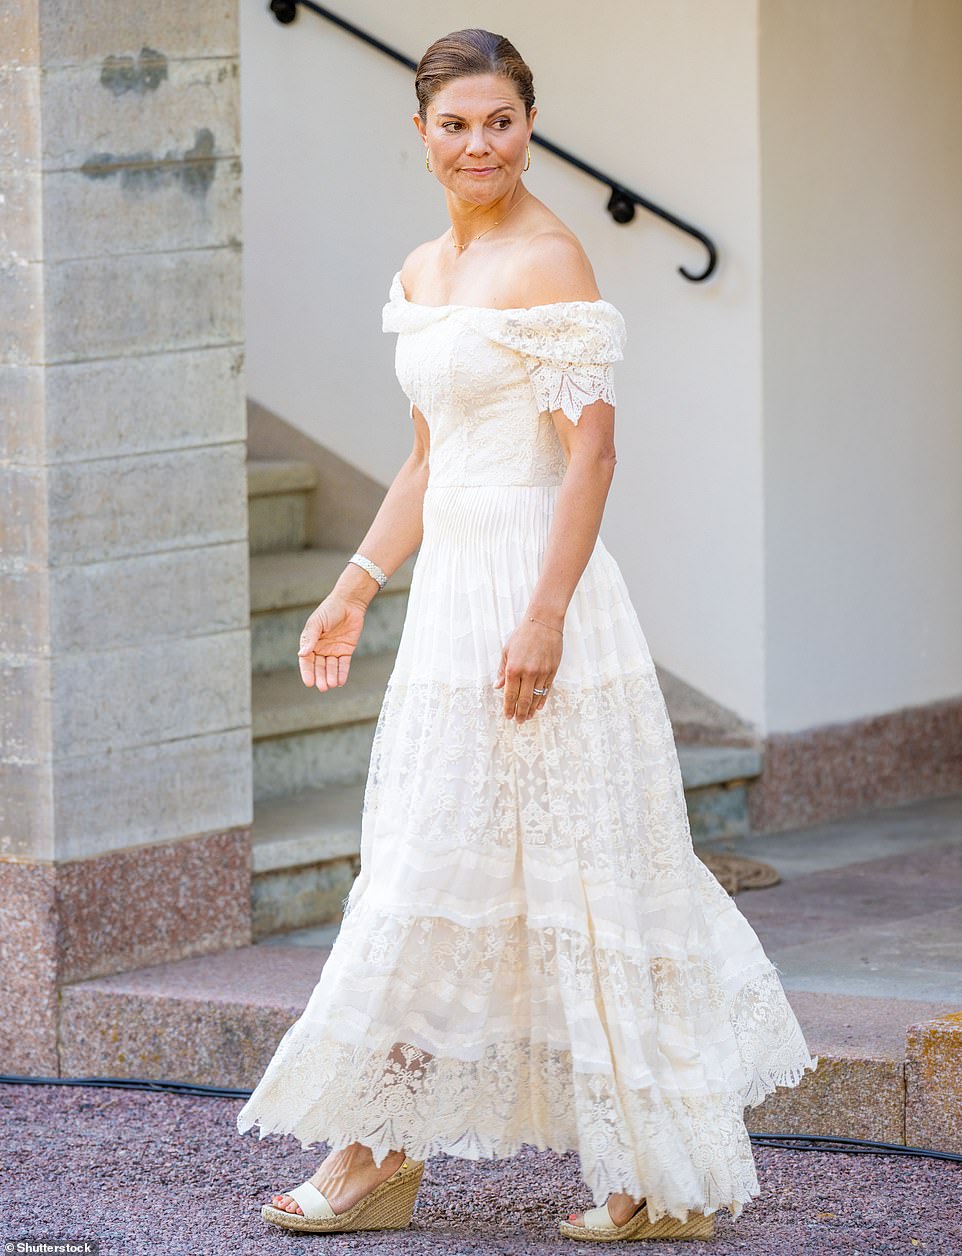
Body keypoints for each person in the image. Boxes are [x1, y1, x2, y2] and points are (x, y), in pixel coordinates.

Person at [236, 27, 818, 1242]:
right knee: (425, 861)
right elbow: (422, 460)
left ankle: (649, 1175)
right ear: (420, 134)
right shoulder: (422, 267)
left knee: (588, 873)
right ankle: (381, 1153)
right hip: (450, 597)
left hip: (534, 591)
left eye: (498, 120)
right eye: (455, 124)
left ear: (528, 124)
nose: (478, 144)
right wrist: (353, 580)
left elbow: (592, 455)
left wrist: (544, 612)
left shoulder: (553, 260)